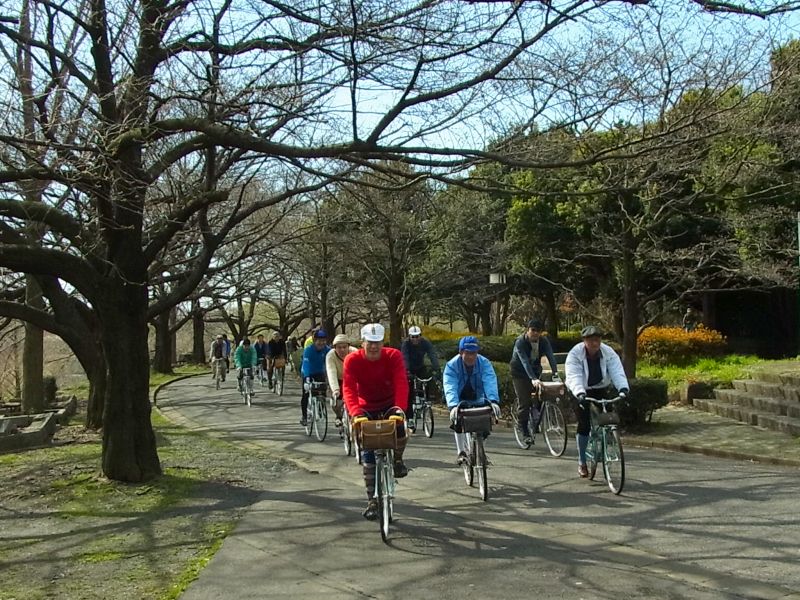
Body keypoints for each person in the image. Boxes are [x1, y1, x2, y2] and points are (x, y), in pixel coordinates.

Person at [342, 323, 410, 520]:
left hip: (390, 402)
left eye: (377, 342)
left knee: (400, 430)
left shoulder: (393, 355)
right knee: (368, 451)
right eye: (370, 342)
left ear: (383, 342)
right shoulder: (352, 359)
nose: (374, 346)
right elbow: (349, 388)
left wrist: (399, 409)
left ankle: (397, 459)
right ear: (362, 342)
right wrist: (355, 413)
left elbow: (401, 382)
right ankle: (372, 500)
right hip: (365, 406)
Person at [564, 326, 629, 478]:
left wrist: (623, 388)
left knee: (608, 417)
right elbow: (573, 375)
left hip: (600, 387)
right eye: (591, 340)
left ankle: (607, 442)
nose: (595, 343)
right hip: (580, 389)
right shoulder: (575, 354)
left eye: (598, 340)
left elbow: (616, 370)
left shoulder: (607, 352)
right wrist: (579, 393)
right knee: (584, 424)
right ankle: (582, 462)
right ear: (584, 341)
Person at [442, 336, 501, 465]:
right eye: (467, 353)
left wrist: (493, 401)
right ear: (460, 352)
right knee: (458, 421)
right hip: (460, 398)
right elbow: (450, 385)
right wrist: (453, 406)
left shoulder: (484, 363)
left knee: (485, 422)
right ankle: (461, 452)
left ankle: (480, 451)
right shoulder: (452, 366)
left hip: (479, 397)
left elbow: (490, 380)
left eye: (474, 353)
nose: (471, 357)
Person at [509, 319, 560, 445]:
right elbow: (524, 362)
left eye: (538, 331)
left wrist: (555, 373)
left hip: (536, 370)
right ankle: (524, 430)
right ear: (527, 330)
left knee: (542, 395)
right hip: (519, 373)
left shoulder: (543, 341)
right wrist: (533, 378)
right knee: (524, 401)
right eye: (533, 330)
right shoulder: (520, 342)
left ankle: (536, 417)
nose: (535, 333)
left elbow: (550, 356)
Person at [325, 333, 358, 427]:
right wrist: (335, 390)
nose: (342, 350)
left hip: (352, 379)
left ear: (348, 346)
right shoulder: (330, 355)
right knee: (336, 401)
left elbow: (360, 370)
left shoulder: (354, 353)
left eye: (344, 347)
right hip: (338, 378)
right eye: (339, 347)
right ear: (335, 348)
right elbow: (331, 372)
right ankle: (338, 416)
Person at [300, 329, 330, 426]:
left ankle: (320, 409)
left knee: (322, 392)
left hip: (319, 373)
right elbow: (306, 364)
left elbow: (332, 358)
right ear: (314, 340)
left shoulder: (327, 349)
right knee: (305, 394)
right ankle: (304, 416)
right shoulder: (308, 350)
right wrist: (307, 378)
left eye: (323, 341)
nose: (321, 343)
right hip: (308, 373)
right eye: (319, 341)